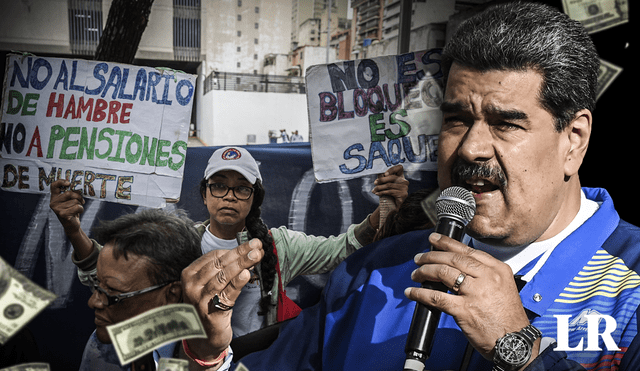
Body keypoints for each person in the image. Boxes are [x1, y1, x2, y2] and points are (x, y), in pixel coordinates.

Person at [184, 2, 640, 370]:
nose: (470, 149)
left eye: (506, 124)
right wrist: (210, 353)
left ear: (573, 140)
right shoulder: (375, 271)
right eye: (456, 120)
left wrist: (519, 350)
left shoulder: (630, 292)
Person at [50, 146, 408, 337]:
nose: (229, 196)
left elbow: (343, 248)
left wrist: (386, 206)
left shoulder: (277, 245)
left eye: (241, 188)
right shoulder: (179, 243)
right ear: (205, 194)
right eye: (218, 185)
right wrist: (72, 228)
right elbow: (104, 276)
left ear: (254, 197)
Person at [74, 209, 203, 370]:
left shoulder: (204, 355)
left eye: (113, 291)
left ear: (171, 295)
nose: (93, 302)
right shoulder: (104, 345)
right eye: (98, 285)